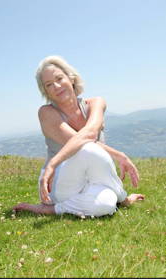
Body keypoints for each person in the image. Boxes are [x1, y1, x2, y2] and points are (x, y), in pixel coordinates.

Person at [13, 55, 144, 217]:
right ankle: (123, 199)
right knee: (87, 148)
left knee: (106, 205)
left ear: (71, 78)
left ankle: (53, 209)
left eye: (59, 78)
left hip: (93, 179)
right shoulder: (47, 113)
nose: (56, 86)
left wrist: (119, 155)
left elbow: (90, 132)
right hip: (60, 180)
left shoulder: (95, 103)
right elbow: (83, 142)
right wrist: (53, 165)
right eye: (48, 85)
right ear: (45, 92)